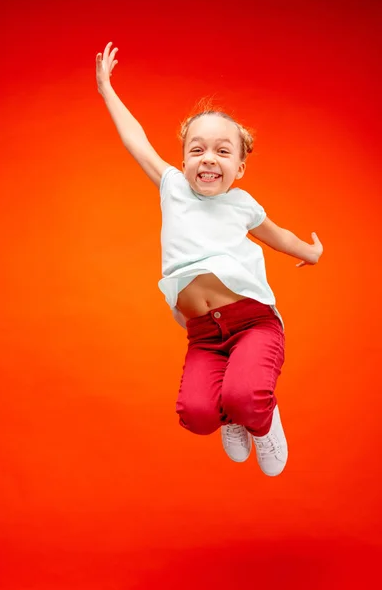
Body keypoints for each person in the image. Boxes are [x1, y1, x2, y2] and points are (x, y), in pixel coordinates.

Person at [96, 42, 323, 477]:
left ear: (239, 167)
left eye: (223, 151)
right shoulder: (172, 187)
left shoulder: (242, 204)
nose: (208, 159)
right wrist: (107, 89)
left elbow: (279, 237)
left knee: (244, 395)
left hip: (253, 321)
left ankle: (260, 417)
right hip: (203, 335)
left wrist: (311, 252)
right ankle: (235, 414)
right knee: (197, 414)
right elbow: (135, 141)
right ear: (183, 160)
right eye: (197, 149)